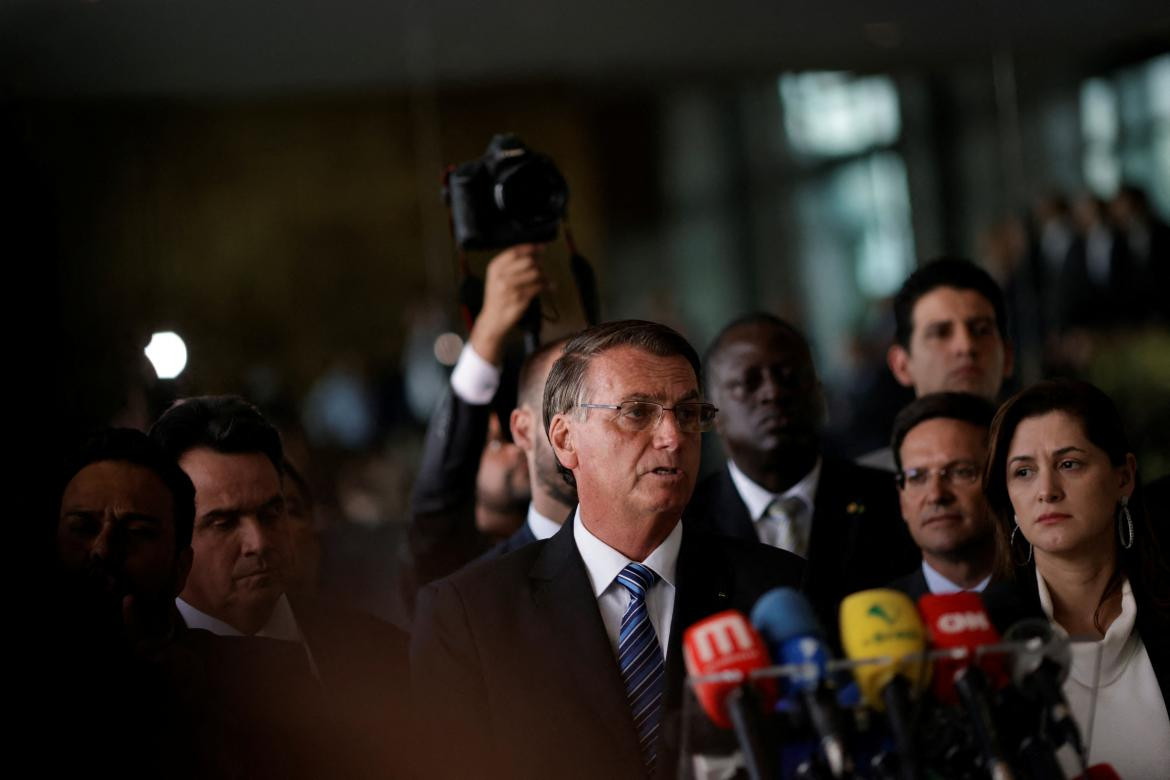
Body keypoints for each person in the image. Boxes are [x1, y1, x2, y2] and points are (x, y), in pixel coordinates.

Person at [411, 320, 804, 780]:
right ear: (564, 440)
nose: (673, 438)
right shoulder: (468, 616)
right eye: (637, 412)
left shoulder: (780, 590)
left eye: (688, 413)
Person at [151, 395, 417, 778]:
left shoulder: (384, 655)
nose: (258, 542)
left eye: (271, 512)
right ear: (170, 535)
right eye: (223, 523)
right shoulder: (137, 688)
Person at [686, 313, 917, 641]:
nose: (772, 394)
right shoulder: (687, 524)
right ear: (711, 410)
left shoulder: (892, 501)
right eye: (749, 382)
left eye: (788, 377)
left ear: (819, 394)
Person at [983, 379, 1170, 778]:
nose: (1046, 491)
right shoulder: (986, 636)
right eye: (1024, 472)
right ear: (1010, 499)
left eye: (1069, 464)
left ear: (1124, 477)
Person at [407, 243, 577, 604]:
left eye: (512, 439)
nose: (516, 451)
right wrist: (488, 331)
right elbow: (440, 489)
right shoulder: (449, 565)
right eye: (494, 444)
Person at [861, 257, 1014, 471]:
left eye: (981, 330)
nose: (965, 346)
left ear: (1007, 356)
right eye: (940, 333)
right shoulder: (871, 486)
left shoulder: (1045, 475)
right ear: (901, 365)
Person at [887, 393, 997, 599]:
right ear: (902, 499)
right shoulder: (877, 619)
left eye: (960, 472)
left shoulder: (1051, 602)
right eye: (917, 477)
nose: (936, 495)